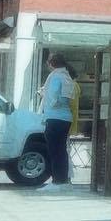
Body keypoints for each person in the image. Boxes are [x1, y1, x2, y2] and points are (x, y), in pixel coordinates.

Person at [38, 53, 76, 188]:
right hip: (65, 118)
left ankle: (56, 181)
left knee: (53, 151)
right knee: (61, 150)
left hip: (54, 117)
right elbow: (66, 97)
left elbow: (54, 94)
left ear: (51, 64)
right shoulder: (67, 76)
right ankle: (63, 180)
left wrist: (49, 101)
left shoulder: (55, 76)